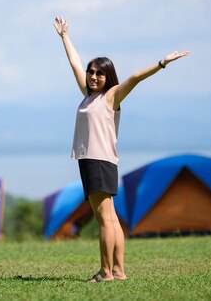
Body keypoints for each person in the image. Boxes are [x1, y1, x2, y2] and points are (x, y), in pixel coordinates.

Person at [53, 15, 189, 283]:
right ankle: (119, 271)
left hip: (97, 160)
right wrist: (64, 36)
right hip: (99, 160)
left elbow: (136, 77)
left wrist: (162, 62)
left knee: (104, 220)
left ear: (108, 77)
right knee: (111, 219)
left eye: (99, 73)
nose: (93, 76)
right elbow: (74, 63)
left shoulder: (111, 96)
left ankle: (106, 273)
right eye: (91, 72)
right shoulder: (88, 94)